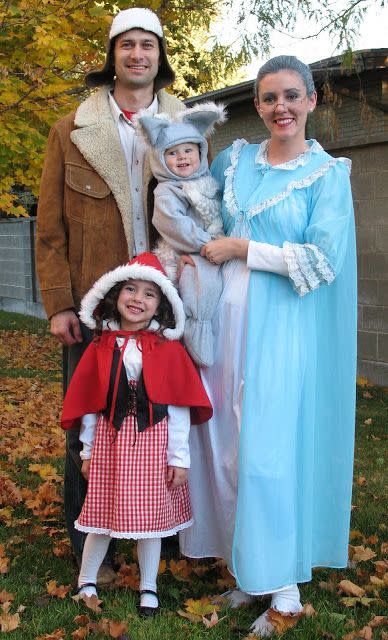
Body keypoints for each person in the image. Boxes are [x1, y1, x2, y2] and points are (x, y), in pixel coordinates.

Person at [180, 55, 357, 637]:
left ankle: (284, 590)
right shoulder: (235, 161)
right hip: (223, 326)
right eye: (267, 98)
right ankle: (248, 567)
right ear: (255, 106)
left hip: (280, 331)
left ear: (311, 100)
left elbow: (323, 259)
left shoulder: (327, 175)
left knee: (269, 453)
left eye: (290, 96)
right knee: (227, 445)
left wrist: (243, 250)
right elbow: (192, 195)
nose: (279, 106)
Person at [35, 7, 186, 578]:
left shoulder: (186, 124)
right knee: (90, 420)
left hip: (166, 300)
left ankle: (164, 537)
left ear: (160, 56)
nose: (138, 55)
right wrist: (58, 304)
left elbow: (201, 211)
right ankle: (87, 538)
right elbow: (49, 228)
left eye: (148, 45)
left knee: (160, 417)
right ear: (113, 55)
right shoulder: (70, 128)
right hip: (95, 307)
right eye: (127, 45)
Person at [61, 252, 212, 615]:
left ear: (161, 304)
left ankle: (149, 587)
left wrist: (179, 458)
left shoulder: (168, 350)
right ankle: (86, 580)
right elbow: (93, 407)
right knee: (101, 514)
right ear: (115, 294)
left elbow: (177, 407)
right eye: (131, 289)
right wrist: (86, 452)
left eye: (149, 294)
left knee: (150, 522)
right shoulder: (101, 347)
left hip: (153, 445)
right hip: (110, 445)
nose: (138, 299)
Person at [135, 102, 226, 366]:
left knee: (216, 289)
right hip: (185, 251)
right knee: (199, 287)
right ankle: (195, 331)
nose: (182, 157)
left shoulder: (207, 182)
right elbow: (175, 225)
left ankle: (208, 332)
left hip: (211, 249)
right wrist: (209, 244)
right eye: (172, 153)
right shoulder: (167, 191)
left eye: (189, 150)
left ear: (201, 150)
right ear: (160, 159)